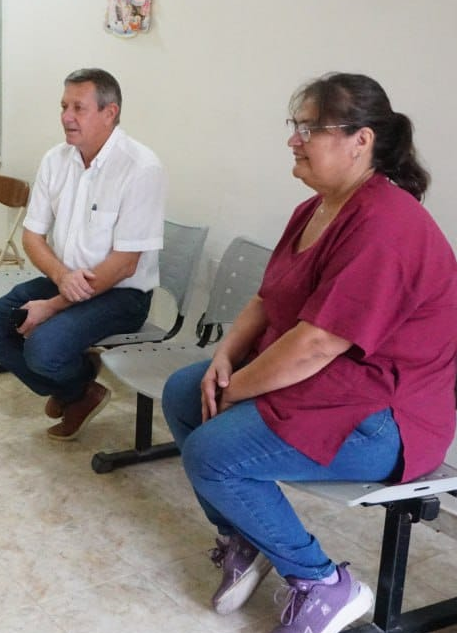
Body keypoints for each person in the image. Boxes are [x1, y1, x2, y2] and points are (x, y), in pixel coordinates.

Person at [162, 72, 457, 633]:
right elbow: (268, 298)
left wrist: (233, 387)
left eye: (308, 128)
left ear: (360, 140)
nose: (293, 140)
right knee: (184, 391)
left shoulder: (386, 224)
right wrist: (226, 355)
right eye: (294, 127)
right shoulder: (317, 208)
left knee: (212, 454)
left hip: (385, 418)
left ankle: (323, 582)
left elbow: (318, 342)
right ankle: (244, 538)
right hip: (329, 383)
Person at [0, 68, 165, 440]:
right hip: (63, 279)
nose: (66, 117)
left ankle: (68, 379)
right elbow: (32, 236)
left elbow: (125, 264)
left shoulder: (140, 168)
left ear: (110, 113)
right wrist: (61, 280)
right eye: (63, 106)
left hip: (122, 295)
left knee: (44, 347)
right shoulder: (56, 160)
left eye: (78, 107)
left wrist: (53, 305)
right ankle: (77, 390)